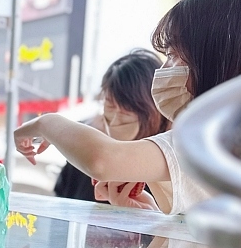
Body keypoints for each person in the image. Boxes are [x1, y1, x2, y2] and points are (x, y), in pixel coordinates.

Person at [16, 0, 241, 214]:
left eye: (174, 55)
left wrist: (45, 123)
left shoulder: (209, 141)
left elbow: (103, 159)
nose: (165, 69)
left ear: (217, 60)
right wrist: (150, 216)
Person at [54, 50, 169, 201]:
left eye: (126, 111)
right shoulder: (86, 153)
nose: (115, 120)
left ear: (154, 109)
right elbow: (62, 203)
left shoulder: (165, 167)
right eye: (109, 105)